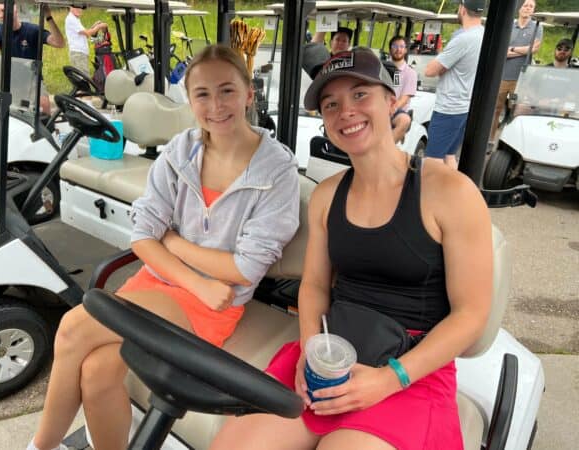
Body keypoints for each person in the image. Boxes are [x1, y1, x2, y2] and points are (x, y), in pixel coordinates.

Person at [210, 46, 492, 450]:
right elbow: (314, 288)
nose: (346, 112)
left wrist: (390, 377)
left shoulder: (449, 191)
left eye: (360, 95)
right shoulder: (328, 195)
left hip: (412, 370)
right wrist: (310, 348)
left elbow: (471, 316)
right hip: (333, 351)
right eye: (331, 104)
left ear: (390, 100)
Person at [26, 44, 300, 450]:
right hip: (169, 283)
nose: (216, 105)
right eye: (202, 94)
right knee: (97, 372)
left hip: (213, 305)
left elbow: (243, 270)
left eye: (227, 90)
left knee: (71, 329)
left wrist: (170, 240)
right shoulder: (180, 151)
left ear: (248, 93)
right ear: (189, 100)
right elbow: (142, 235)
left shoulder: (276, 170)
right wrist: (195, 276)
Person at [424, 0, 485, 169]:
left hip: (448, 108)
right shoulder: (482, 34)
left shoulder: (463, 39)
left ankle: (432, 194)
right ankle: (452, 194)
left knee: (432, 160)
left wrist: (442, 64)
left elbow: (430, 70)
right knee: (449, 156)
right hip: (464, 106)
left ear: (463, 9)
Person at [0, 3, 64, 115]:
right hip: (11, 79)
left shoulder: (32, 30)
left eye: (3, 10)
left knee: (44, 105)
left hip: (32, 78)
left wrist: (48, 17)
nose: (0, 15)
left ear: (15, 8)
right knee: (11, 112)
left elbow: (59, 43)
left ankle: (44, 128)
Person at [489, 0, 542, 142]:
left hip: (522, 79)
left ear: (533, 11)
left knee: (516, 111)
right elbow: (501, 49)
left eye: (531, 6)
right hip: (503, 75)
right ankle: (490, 140)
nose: (528, 8)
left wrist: (511, 49)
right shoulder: (510, 25)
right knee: (495, 109)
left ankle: (509, 142)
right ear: (520, 9)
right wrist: (524, 51)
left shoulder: (537, 27)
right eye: (526, 5)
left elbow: (534, 49)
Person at [388, 35, 417, 143]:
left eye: (401, 46)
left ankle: (387, 147)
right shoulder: (382, 67)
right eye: (395, 46)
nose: (398, 49)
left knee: (404, 120)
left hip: (396, 110)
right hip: (380, 105)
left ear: (405, 50)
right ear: (390, 49)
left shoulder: (410, 73)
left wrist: (391, 109)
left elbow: (404, 98)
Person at [65, 6, 108, 75]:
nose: (79, 9)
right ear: (70, 7)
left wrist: (95, 26)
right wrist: (99, 26)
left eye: (81, 8)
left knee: (82, 78)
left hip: (80, 53)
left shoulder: (75, 19)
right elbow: (88, 33)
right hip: (78, 53)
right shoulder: (71, 19)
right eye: (76, 7)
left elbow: (86, 34)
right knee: (83, 78)